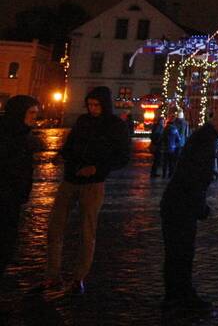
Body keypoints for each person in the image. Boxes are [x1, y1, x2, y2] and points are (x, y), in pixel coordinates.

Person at [44, 86, 131, 294]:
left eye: (96, 105)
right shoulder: (82, 121)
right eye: (90, 105)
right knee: (55, 227)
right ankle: (52, 274)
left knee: (87, 230)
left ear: (104, 105)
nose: (92, 109)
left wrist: (98, 168)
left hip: (93, 183)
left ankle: (79, 277)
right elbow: (71, 144)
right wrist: (61, 155)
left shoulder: (115, 125)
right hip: (70, 179)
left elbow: (122, 157)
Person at [160, 103, 218, 312]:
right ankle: (180, 296)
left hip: (179, 202)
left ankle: (176, 295)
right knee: (181, 252)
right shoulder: (207, 140)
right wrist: (200, 206)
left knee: (178, 252)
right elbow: (195, 177)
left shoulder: (205, 137)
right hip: (181, 204)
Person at [0, 96, 42, 277]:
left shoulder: (23, 135)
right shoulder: (10, 136)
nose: (34, 118)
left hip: (13, 198)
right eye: (31, 113)